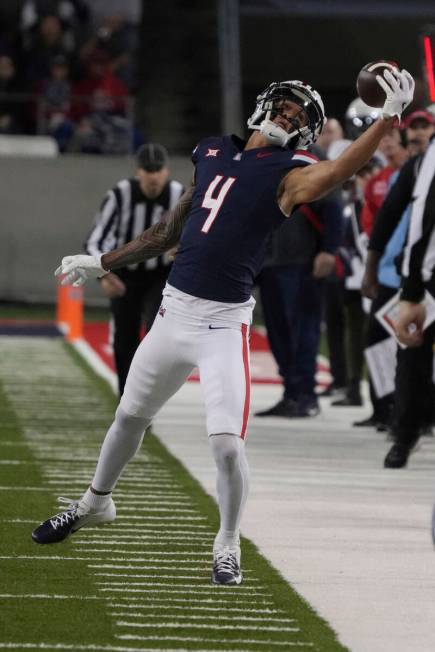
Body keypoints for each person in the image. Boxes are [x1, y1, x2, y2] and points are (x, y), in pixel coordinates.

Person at [31, 70, 414, 585]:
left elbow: (339, 169)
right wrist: (105, 261)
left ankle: (228, 540)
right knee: (128, 416)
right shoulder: (212, 153)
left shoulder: (290, 171)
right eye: (285, 108)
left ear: (305, 134)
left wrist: (389, 117)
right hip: (172, 312)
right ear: (263, 106)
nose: (289, 117)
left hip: (221, 323)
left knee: (227, 445)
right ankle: (95, 502)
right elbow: (170, 228)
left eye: (300, 118)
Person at [84, 143, 184, 395]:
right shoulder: (120, 195)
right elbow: (95, 241)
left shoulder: (178, 195)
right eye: (147, 170)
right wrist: (104, 274)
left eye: (158, 170)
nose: (153, 176)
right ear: (138, 172)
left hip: (162, 275)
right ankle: (125, 399)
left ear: (166, 171)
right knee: (125, 339)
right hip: (125, 276)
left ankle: (146, 399)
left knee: (155, 335)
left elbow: (194, 236)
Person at [362, 132, 435, 468]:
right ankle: (405, 434)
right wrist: (372, 267)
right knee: (411, 357)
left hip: (420, 276)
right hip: (425, 279)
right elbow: (392, 214)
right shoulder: (422, 165)